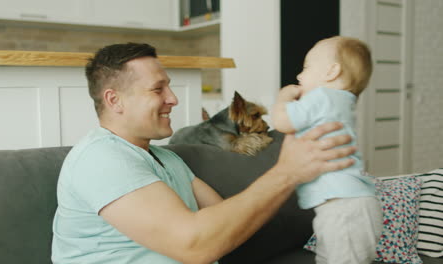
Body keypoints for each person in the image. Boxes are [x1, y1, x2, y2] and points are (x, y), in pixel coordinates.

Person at [51, 42, 357, 264]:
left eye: (169, 87)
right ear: (114, 100)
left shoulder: (167, 159)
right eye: (158, 90)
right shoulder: (101, 158)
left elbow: (226, 225)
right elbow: (196, 245)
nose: (173, 99)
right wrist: (287, 172)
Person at [271, 36, 383, 264]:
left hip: (343, 206)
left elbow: (282, 122)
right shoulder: (341, 102)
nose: (299, 76)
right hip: (347, 205)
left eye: (306, 67)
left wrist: (282, 98)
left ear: (332, 72)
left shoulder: (323, 97)